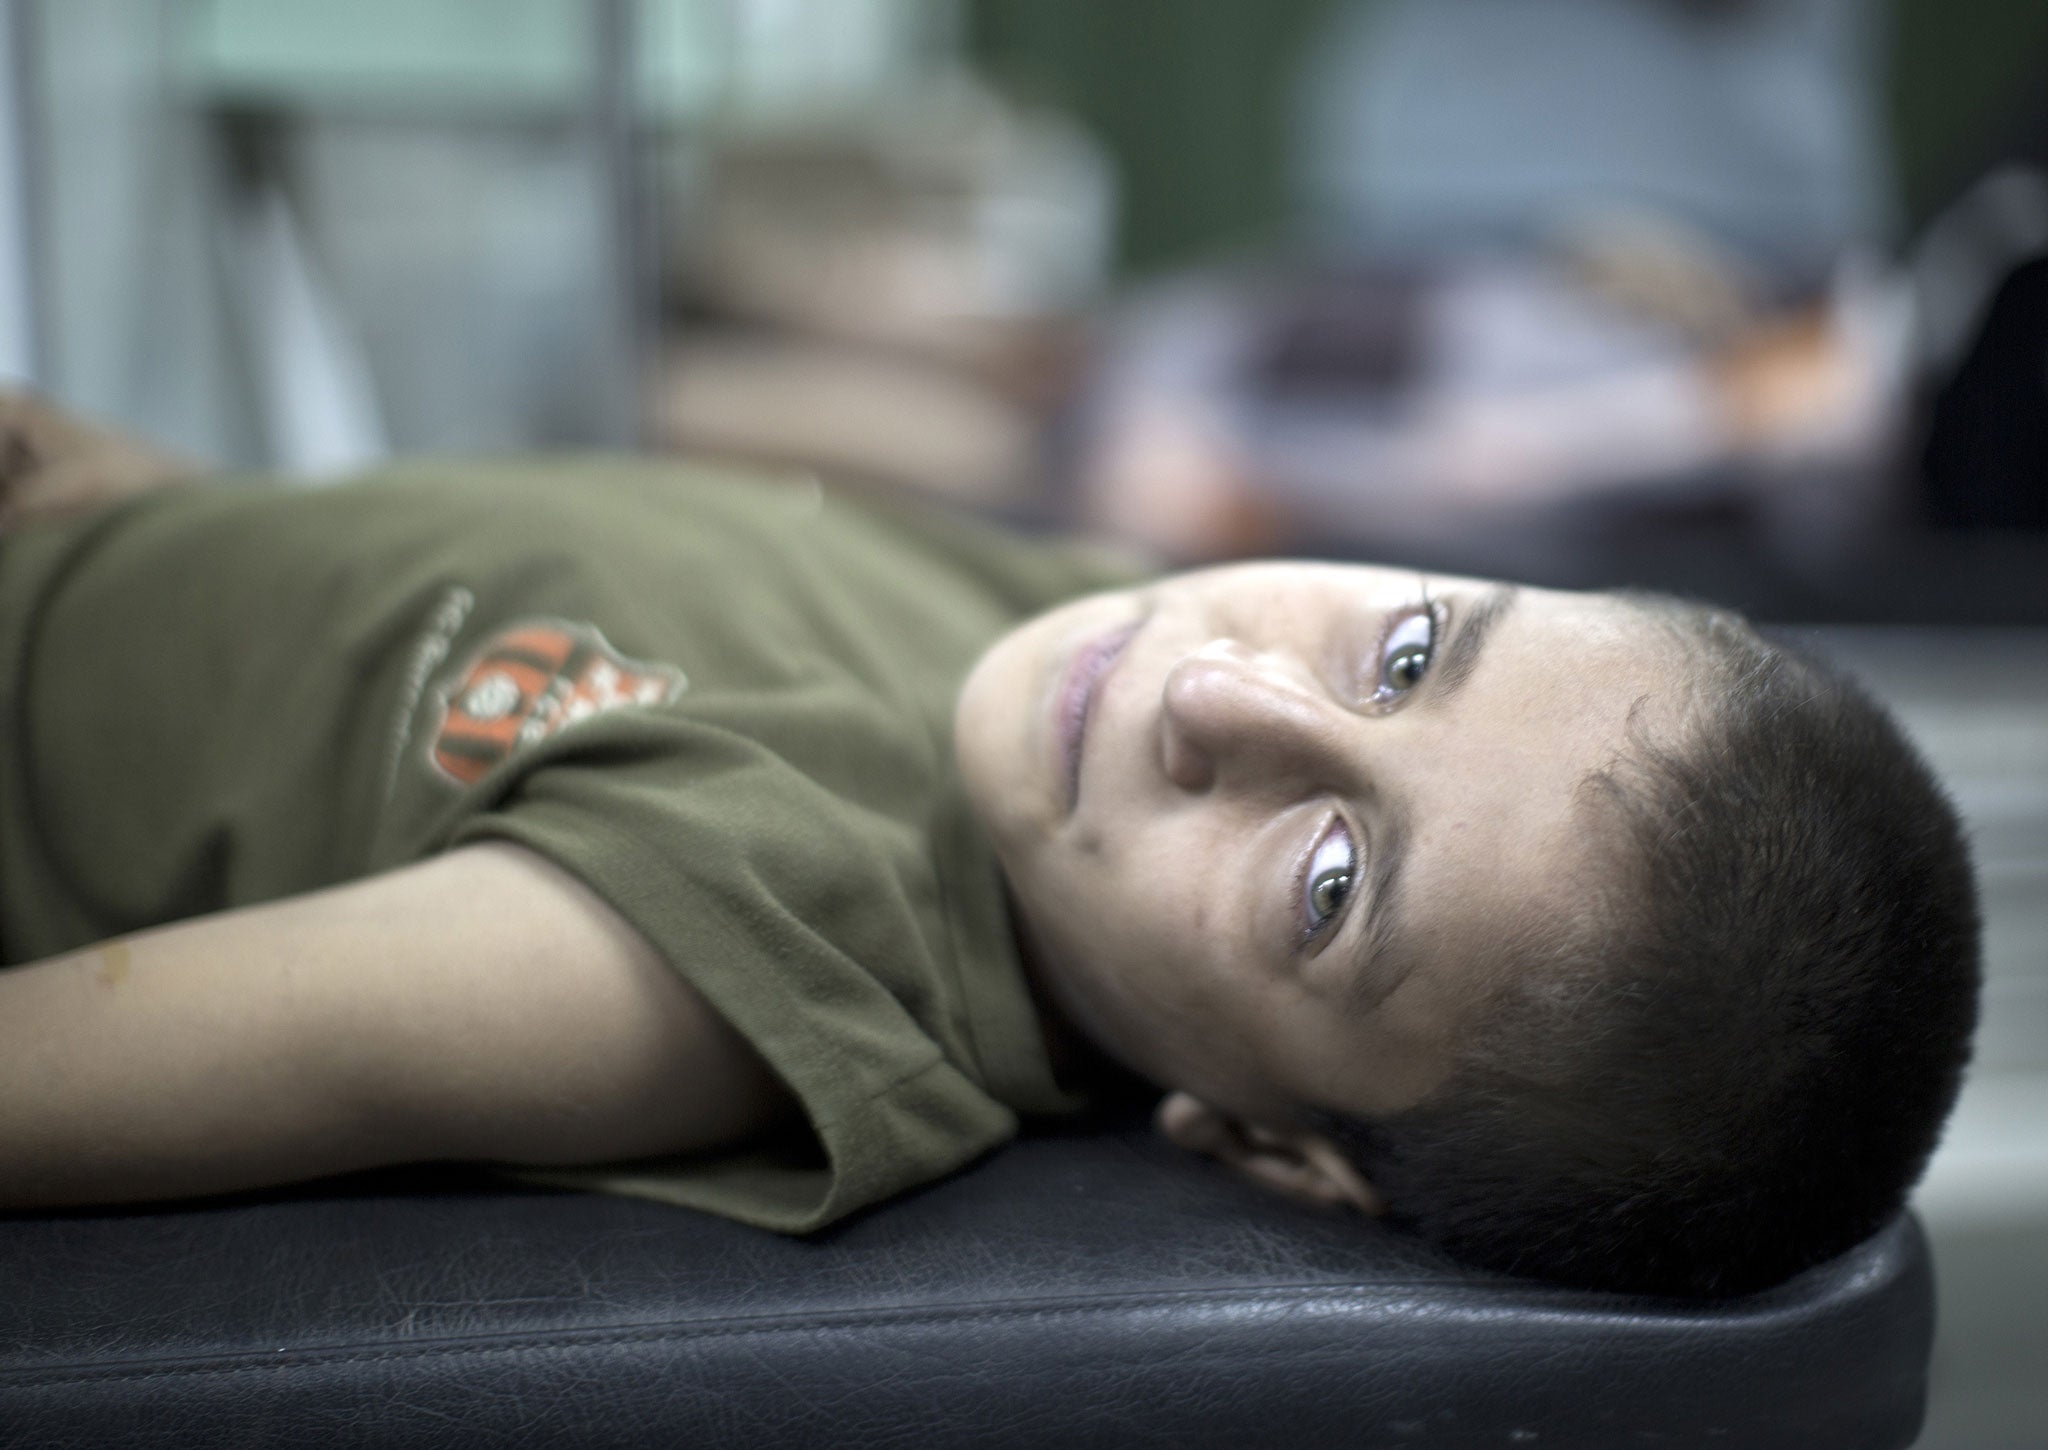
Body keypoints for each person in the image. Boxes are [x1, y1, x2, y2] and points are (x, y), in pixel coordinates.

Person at [0, 394, 1978, 1297]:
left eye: (1324, 883)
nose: (1219, 696)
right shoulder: (1077, 636)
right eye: (1405, 646)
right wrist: (159, 523)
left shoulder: (742, 943)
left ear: (1280, 1146)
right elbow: (455, 646)